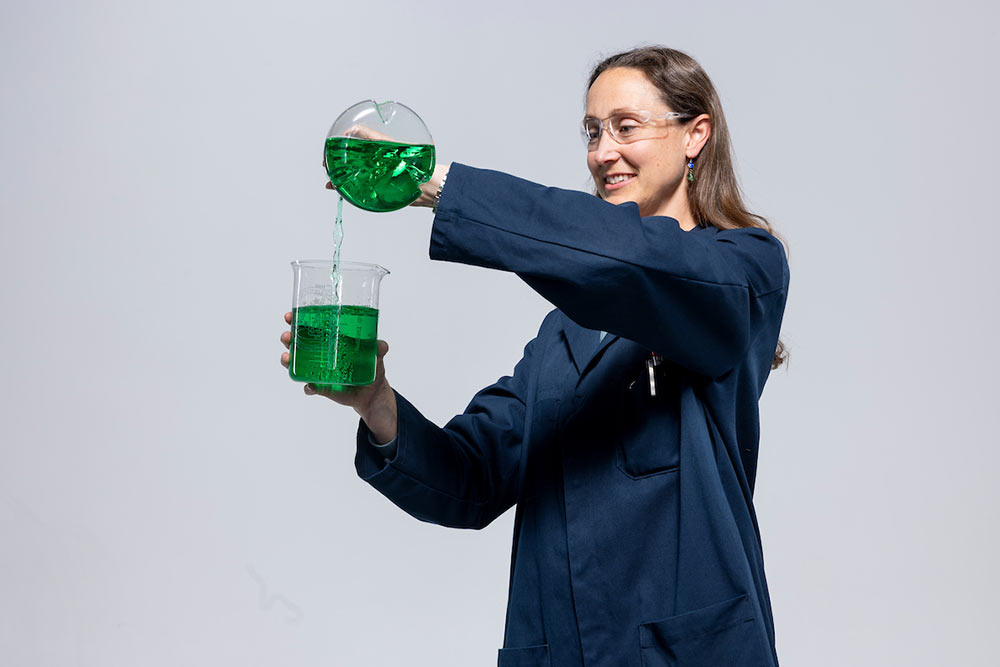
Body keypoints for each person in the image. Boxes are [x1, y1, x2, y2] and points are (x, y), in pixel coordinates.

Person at [280, 45, 789, 667]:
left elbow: (634, 259)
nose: (602, 153)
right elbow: (471, 479)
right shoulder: (564, 334)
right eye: (592, 132)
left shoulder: (743, 272)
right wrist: (376, 402)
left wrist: (441, 185)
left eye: (625, 127)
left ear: (695, 134)